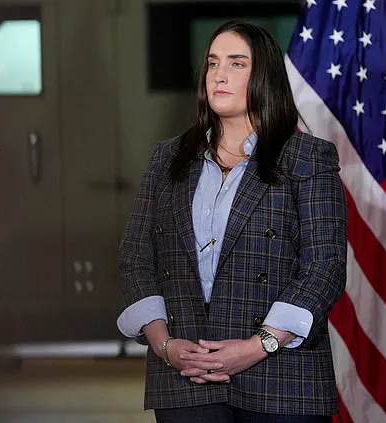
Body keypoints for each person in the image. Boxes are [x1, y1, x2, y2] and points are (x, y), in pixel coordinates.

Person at [116, 20, 348, 423]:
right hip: (184, 377)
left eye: (236, 63)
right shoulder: (167, 158)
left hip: (282, 381)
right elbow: (135, 259)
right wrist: (165, 345)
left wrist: (258, 346)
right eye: (212, 63)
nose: (218, 75)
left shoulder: (308, 157)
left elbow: (324, 267)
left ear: (265, 77)